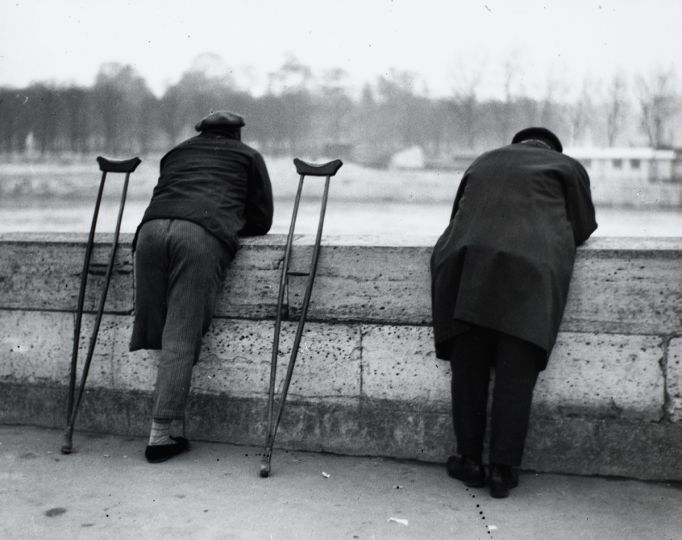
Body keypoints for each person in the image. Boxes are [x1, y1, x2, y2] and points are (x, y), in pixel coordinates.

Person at [430, 127, 597, 498]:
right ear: (552, 148)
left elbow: (459, 215)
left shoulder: (483, 160)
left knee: (469, 370)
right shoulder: (566, 166)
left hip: (466, 267)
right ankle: (502, 472)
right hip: (529, 278)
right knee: (515, 377)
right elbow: (582, 229)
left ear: (515, 144)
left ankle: (470, 461)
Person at [129, 110, 273, 463]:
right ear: (236, 133)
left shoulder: (175, 153)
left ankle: (170, 425)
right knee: (181, 334)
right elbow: (261, 219)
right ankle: (160, 436)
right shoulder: (248, 156)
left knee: (157, 325)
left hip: (148, 233)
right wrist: (225, 224)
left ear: (201, 132)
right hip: (199, 237)